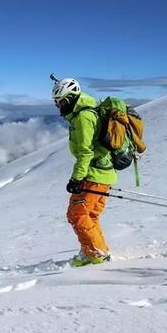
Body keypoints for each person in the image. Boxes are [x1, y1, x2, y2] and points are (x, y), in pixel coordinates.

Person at [52, 78, 117, 267]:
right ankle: (99, 251)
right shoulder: (87, 113)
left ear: (72, 98)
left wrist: (76, 178)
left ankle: (94, 254)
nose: (59, 106)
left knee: (76, 214)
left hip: (93, 174)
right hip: (103, 173)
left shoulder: (84, 118)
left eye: (62, 101)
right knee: (90, 215)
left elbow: (85, 152)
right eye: (57, 102)